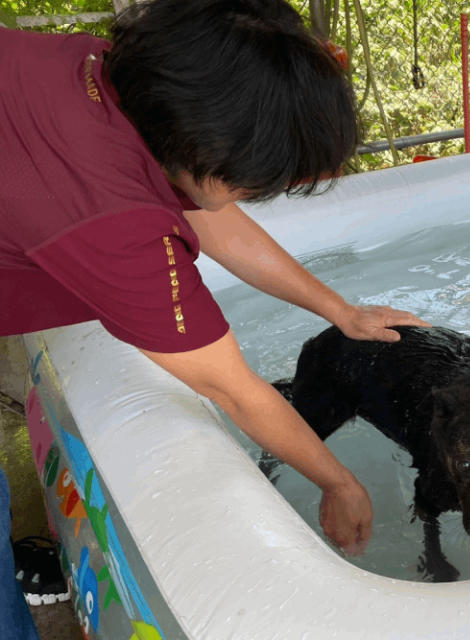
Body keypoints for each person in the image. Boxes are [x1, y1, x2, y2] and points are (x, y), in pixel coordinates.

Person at [0, 0, 428, 577]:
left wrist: (341, 312)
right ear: (210, 154)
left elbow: (204, 208)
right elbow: (235, 391)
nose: (263, 191)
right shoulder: (116, 225)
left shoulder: (105, 73)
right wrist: (340, 482)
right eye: (262, 182)